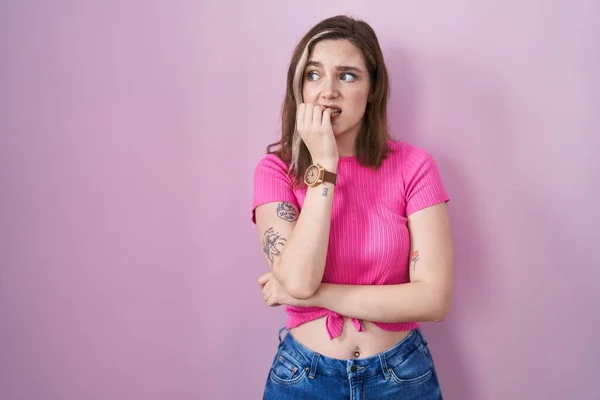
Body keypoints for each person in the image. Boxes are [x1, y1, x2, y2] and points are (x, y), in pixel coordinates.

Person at [251, 14, 454, 400]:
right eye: (313, 75)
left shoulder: (414, 167)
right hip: (303, 378)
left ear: (373, 88)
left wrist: (315, 296)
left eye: (347, 76)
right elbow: (297, 280)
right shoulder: (276, 171)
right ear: (299, 86)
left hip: (401, 377)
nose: (327, 91)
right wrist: (324, 165)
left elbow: (433, 299)